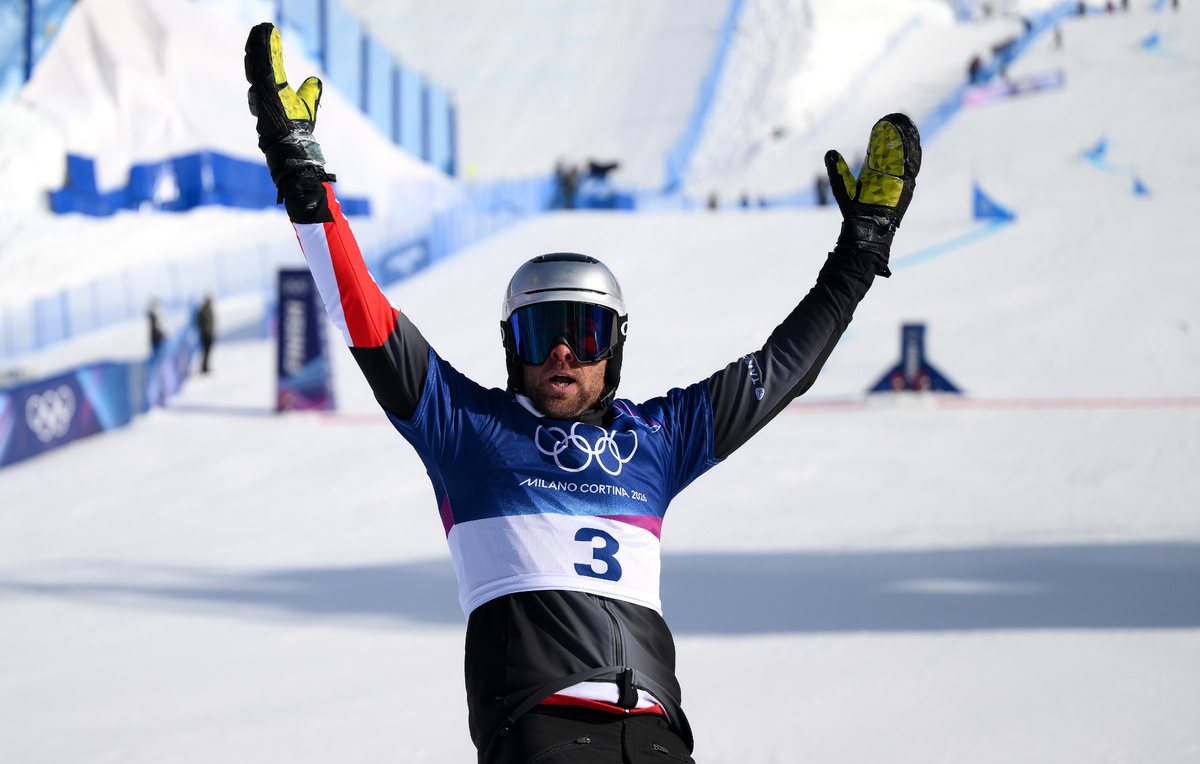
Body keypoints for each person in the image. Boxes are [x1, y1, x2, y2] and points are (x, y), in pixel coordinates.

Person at [244, 23, 920, 764]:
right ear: (512, 349)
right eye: (542, 334)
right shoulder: (467, 428)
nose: (564, 351)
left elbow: (780, 370)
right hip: (541, 729)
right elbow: (364, 316)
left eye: (585, 332)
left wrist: (859, 256)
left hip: (659, 735)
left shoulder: (657, 441)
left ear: (616, 346)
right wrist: (304, 182)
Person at [195, 293, 215, 373]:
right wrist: (204, 329)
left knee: (208, 351)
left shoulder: (209, 308)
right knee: (205, 351)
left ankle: (206, 367)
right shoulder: (203, 309)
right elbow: (200, 320)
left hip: (210, 333)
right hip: (206, 333)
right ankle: (204, 368)